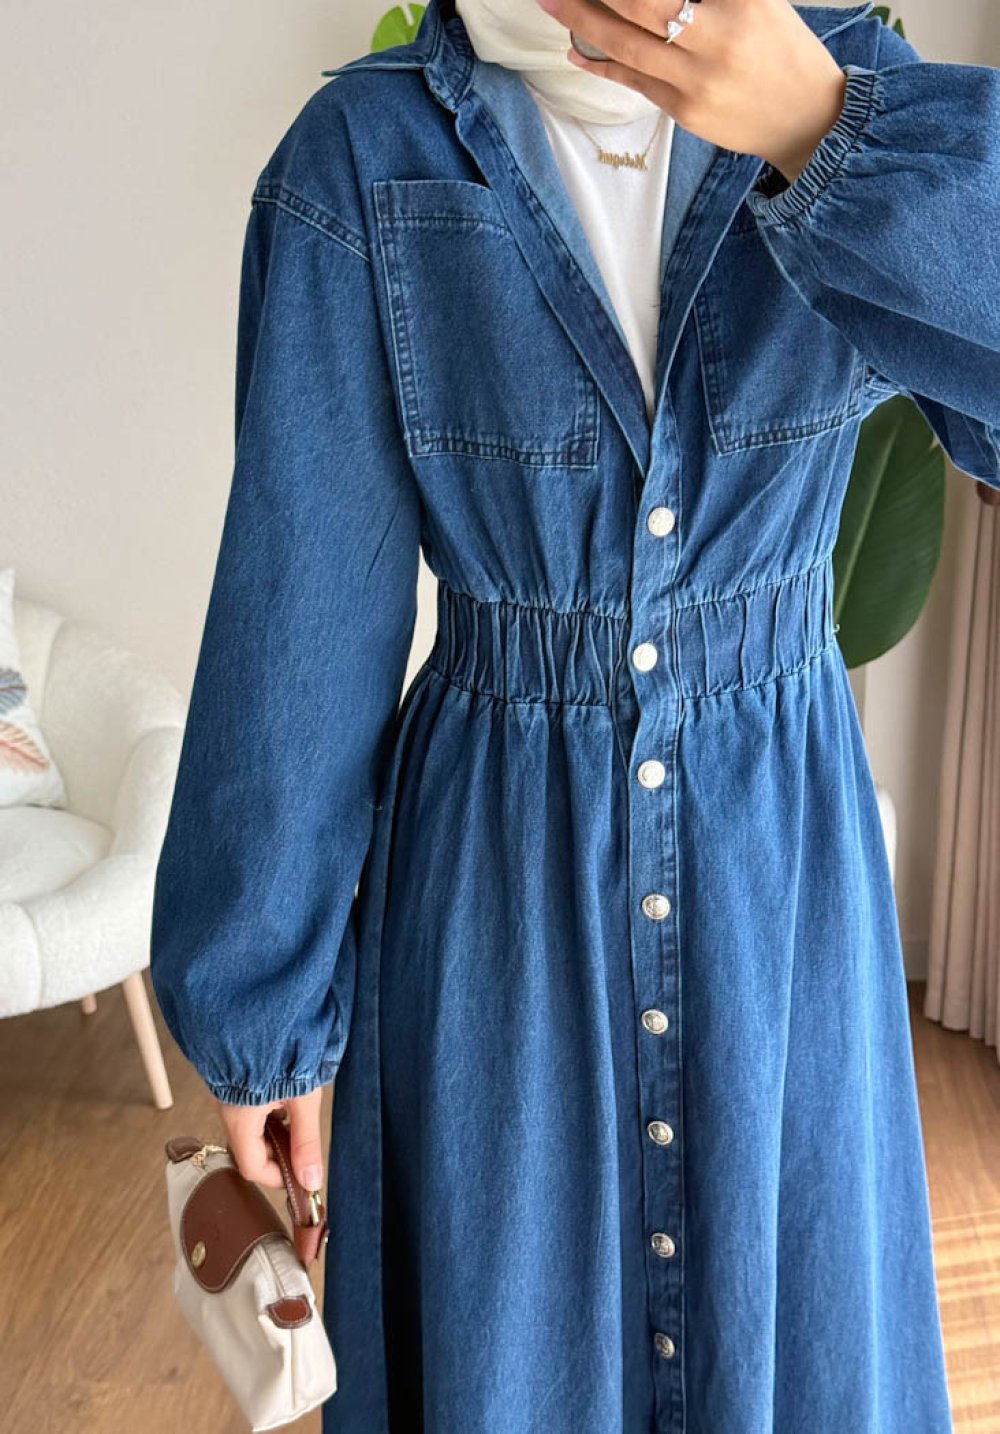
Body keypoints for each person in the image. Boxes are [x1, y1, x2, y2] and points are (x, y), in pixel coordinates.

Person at [150, 1, 1000, 1429]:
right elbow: (302, 616)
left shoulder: (852, 89)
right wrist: (266, 1022)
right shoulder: (365, 158)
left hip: (781, 892)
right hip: (494, 911)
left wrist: (821, 131)